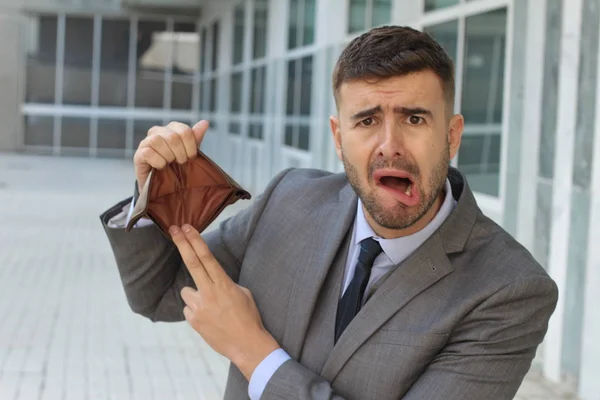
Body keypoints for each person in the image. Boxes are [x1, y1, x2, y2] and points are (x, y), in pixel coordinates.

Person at [100, 25, 558, 400]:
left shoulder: (509, 290)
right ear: (338, 138)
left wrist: (254, 353)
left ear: (452, 136)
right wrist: (152, 190)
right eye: (367, 120)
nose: (390, 146)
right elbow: (158, 293)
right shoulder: (289, 200)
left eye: (414, 119)